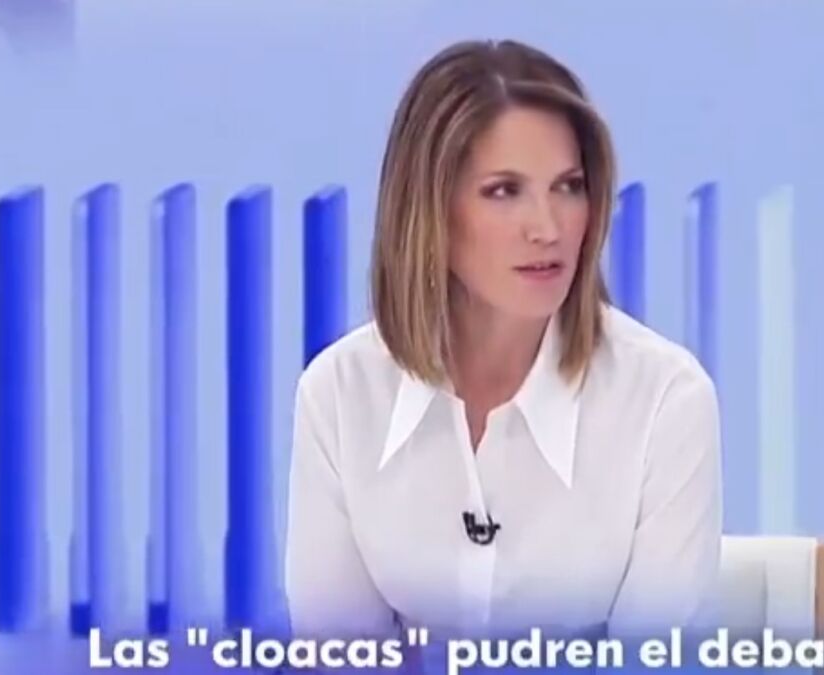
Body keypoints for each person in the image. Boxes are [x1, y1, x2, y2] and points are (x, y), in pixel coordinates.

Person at [285, 39, 722, 648]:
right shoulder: (339, 394)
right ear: (430, 210)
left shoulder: (666, 401)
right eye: (503, 191)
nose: (548, 228)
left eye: (568, 187)